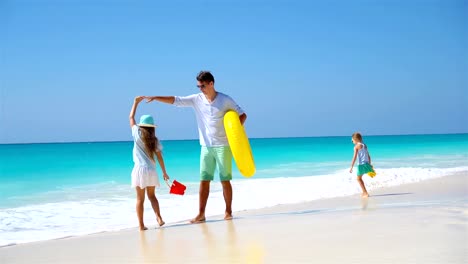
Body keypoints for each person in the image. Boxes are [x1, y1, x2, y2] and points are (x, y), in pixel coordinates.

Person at [146, 71, 247, 223]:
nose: (200, 88)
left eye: (202, 85)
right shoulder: (196, 99)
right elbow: (176, 100)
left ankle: (228, 212)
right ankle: (201, 214)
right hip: (205, 146)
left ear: (211, 83)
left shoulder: (225, 100)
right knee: (203, 180)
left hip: (223, 145)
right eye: (198, 86)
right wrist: (156, 98)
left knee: (224, 180)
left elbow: (242, 115)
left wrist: (234, 133)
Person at [129, 96, 170, 230]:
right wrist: (164, 172)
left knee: (140, 199)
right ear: (152, 127)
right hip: (151, 171)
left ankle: (141, 225)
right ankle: (159, 217)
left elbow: (131, 118)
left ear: (141, 125)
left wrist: (135, 103)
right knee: (152, 196)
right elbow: (159, 158)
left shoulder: (136, 133)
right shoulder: (155, 140)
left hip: (140, 170)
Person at [349, 132, 375, 198]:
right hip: (366, 163)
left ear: (356, 139)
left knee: (358, 179)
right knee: (361, 178)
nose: (352, 141)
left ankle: (365, 192)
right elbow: (368, 156)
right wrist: (369, 164)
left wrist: (351, 166)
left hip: (361, 165)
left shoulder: (356, 147)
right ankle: (364, 192)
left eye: (352, 140)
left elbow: (354, 157)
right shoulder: (364, 145)